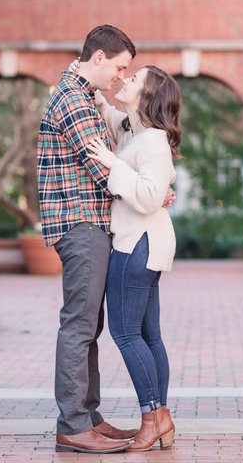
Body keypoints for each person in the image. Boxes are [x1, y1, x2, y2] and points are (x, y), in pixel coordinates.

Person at [38, 24, 138, 454]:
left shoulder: (79, 95)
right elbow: (104, 169)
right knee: (79, 325)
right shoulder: (74, 99)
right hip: (81, 224)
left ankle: (88, 417)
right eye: (119, 67)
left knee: (87, 326)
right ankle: (73, 424)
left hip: (87, 222)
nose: (120, 76)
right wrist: (152, 190)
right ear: (98, 58)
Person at [85, 65, 181, 452]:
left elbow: (149, 195)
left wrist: (112, 164)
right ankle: (162, 418)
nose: (125, 80)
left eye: (134, 79)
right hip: (140, 241)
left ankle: (152, 417)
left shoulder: (153, 141)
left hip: (138, 242)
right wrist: (91, 84)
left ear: (147, 97)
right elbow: (109, 114)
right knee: (148, 336)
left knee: (126, 334)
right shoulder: (133, 130)